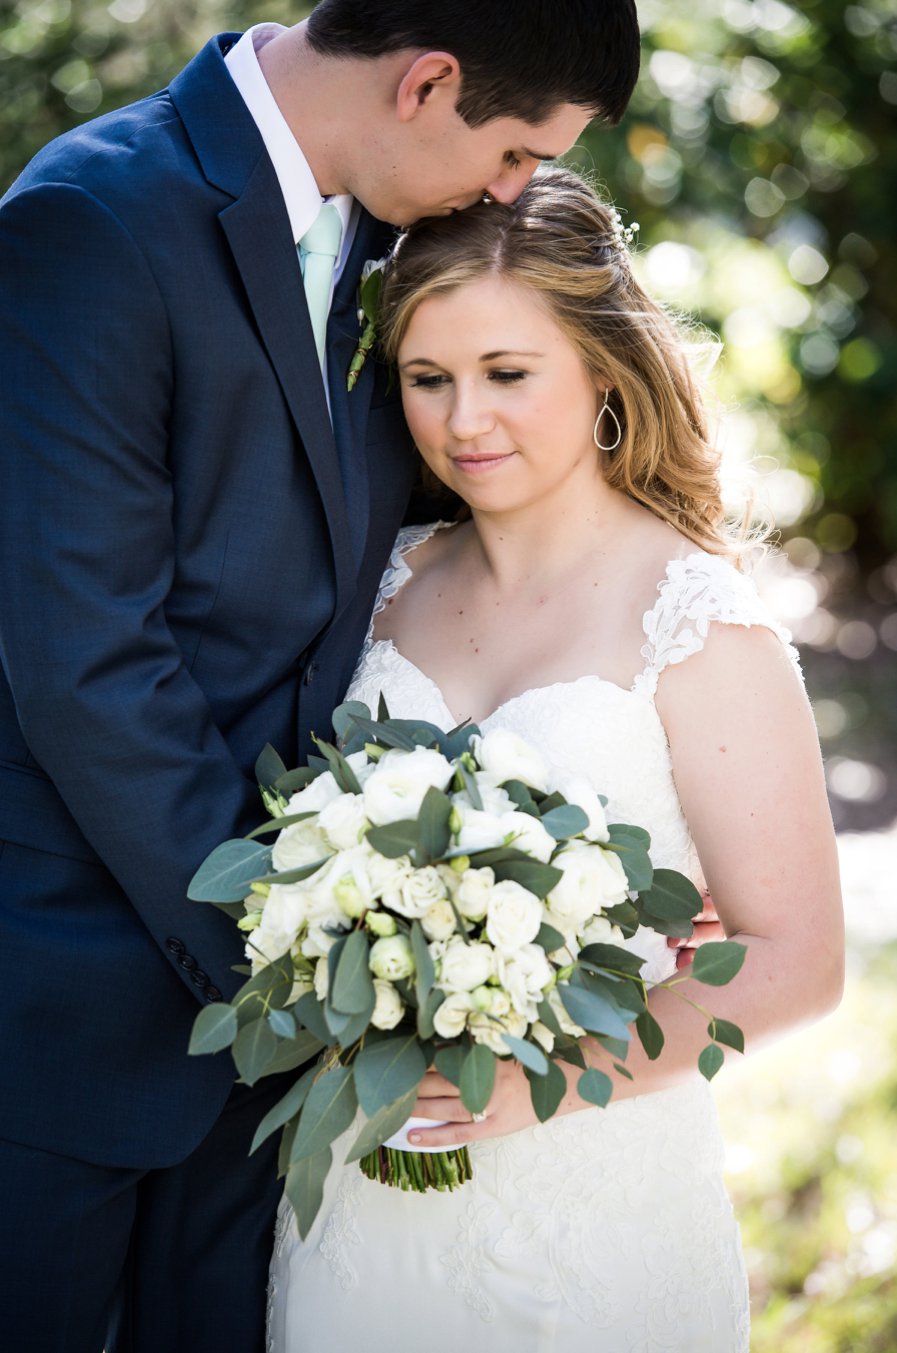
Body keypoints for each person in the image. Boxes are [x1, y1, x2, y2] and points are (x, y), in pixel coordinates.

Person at [0, 4, 641, 1350]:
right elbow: (85, 660)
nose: (517, 191)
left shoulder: (385, 241)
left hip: (286, 1071)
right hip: (66, 1013)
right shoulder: (92, 221)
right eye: (519, 152)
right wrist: (289, 956)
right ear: (430, 81)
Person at [266, 165, 844, 1351]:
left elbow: (796, 959)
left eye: (507, 375)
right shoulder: (383, 586)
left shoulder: (696, 621)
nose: (463, 421)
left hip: (590, 1204)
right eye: (428, 379)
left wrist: (550, 1077)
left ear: (603, 373)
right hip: (358, 1207)